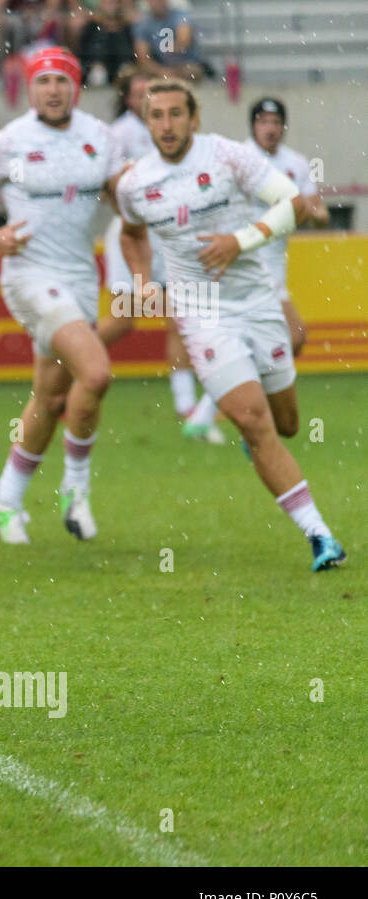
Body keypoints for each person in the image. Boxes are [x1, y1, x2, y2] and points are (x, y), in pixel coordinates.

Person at [116, 79, 344, 572]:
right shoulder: (134, 183)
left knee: (287, 424)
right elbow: (132, 234)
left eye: (177, 114)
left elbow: (295, 204)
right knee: (256, 421)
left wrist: (239, 241)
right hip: (200, 312)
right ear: (146, 122)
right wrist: (141, 281)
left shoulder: (226, 156)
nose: (167, 124)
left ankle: (258, 442)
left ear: (194, 119)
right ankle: (320, 535)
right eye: (157, 115)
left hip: (257, 300)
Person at [0, 47, 125, 545]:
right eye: (43, 81)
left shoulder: (100, 137)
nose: (53, 90)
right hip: (28, 275)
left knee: (50, 396)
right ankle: (76, 488)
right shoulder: (10, 142)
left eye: (62, 81)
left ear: (76, 87)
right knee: (97, 372)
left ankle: (4, 499)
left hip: (81, 277)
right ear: (30, 89)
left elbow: (120, 197)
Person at [98, 64, 221, 443]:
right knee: (126, 317)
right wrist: (134, 208)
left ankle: (187, 406)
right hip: (134, 234)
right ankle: (71, 359)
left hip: (171, 234)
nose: (142, 99)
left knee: (178, 314)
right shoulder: (117, 134)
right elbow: (106, 184)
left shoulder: (174, 131)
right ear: (128, 97)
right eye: (136, 93)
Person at [244, 97, 330, 358]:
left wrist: (313, 213)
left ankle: (246, 395)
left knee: (269, 347)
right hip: (247, 260)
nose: (270, 128)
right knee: (292, 337)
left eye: (276, 122)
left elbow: (319, 213)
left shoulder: (297, 163)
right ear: (253, 126)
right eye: (263, 122)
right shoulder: (241, 157)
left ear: (284, 127)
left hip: (274, 263)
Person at [133, 0, 205, 80]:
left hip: (186, 64)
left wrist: (173, 50)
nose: (158, 3)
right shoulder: (143, 23)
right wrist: (161, 71)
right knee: (138, 74)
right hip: (160, 67)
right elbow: (143, 58)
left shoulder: (180, 15)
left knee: (191, 71)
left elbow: (184, 39)